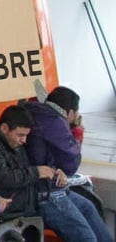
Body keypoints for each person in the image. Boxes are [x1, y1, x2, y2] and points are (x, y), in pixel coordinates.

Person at [23, 87, 113, 242]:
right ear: (70, 112)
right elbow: (72, 161)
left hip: (48, 187)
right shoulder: (54, 120)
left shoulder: (36, 113)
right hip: (47, 194)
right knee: (86, 238)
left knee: (88, 207)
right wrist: (77, 132)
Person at [0, 104, 59, 219]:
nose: (24, 140)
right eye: (20, 135)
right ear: (4, 128)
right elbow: (3, 177)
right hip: (0, 212)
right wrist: (36, 173)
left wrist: (54, 172)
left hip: (23, 207)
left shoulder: (12, 142)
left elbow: (23, 171)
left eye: (26, 135)